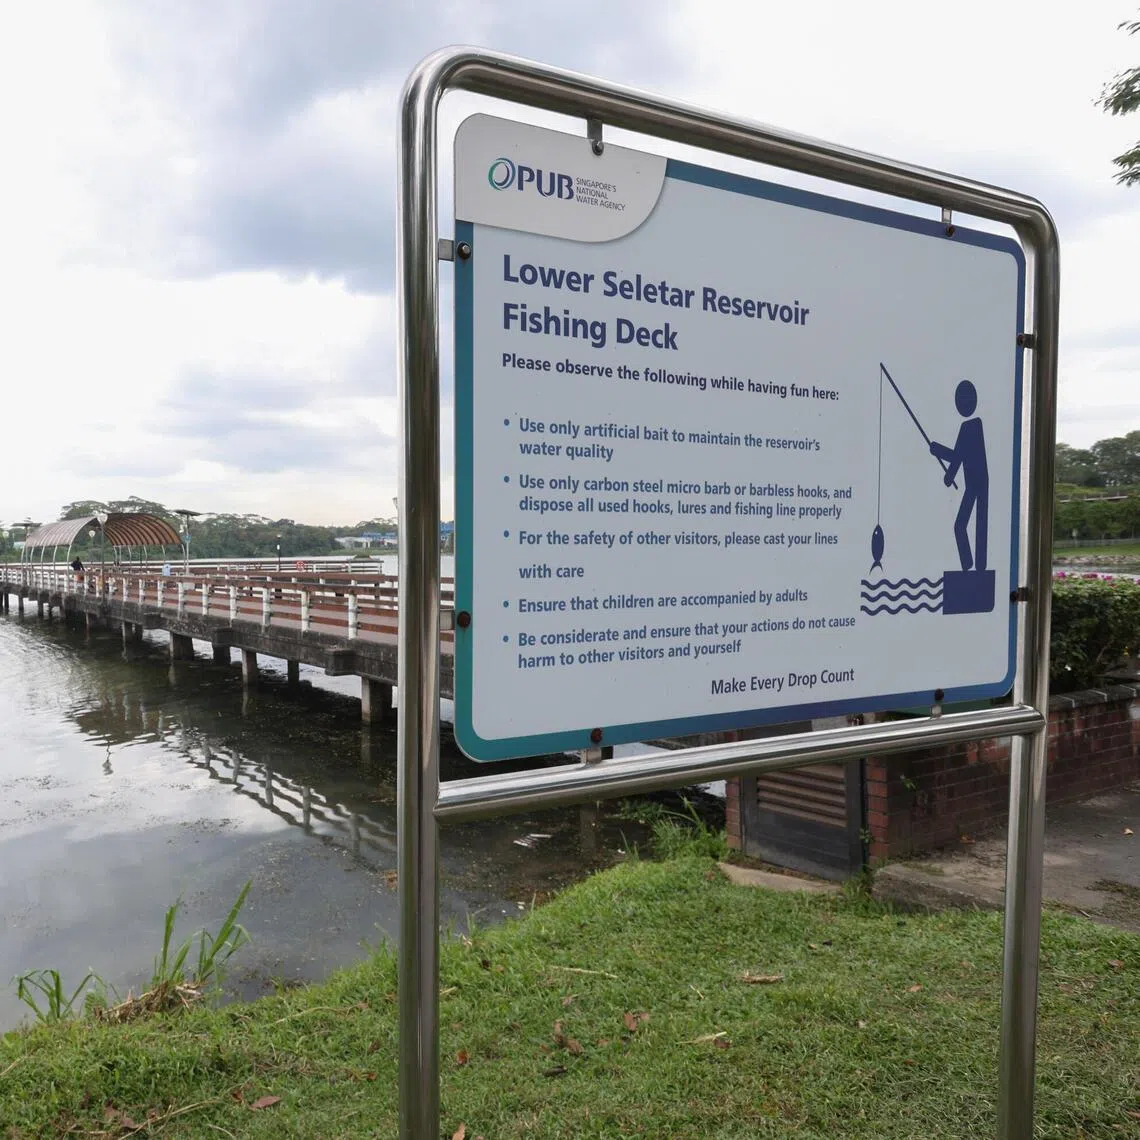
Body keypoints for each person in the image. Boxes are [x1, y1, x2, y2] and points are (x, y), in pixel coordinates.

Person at [929, 379, 988, 572]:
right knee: (966, 526)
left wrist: (939, 455)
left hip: (978, 483)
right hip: (975, 483)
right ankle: (970, 566)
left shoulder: (972, 426)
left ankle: (975, 568)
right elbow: (958, 456)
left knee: (968, 526)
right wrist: (939, 453)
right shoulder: (971, 426)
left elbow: (958, 456)